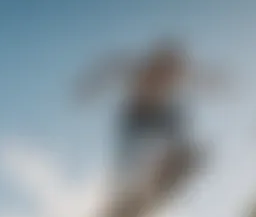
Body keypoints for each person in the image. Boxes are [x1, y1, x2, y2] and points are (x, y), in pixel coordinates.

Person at [76, 39, 227, 192]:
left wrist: (221, 81)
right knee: (132, 150)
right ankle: (127, 181)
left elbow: (202, 78)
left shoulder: (179, 74)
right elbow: (112, 70)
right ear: (154, 65)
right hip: (136, 117)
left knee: (176, 114)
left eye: (169, 74)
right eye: (161, 72)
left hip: (161, 117)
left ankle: (172, 160)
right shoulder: (138, 69)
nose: (165, 78)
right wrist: (89, 88)